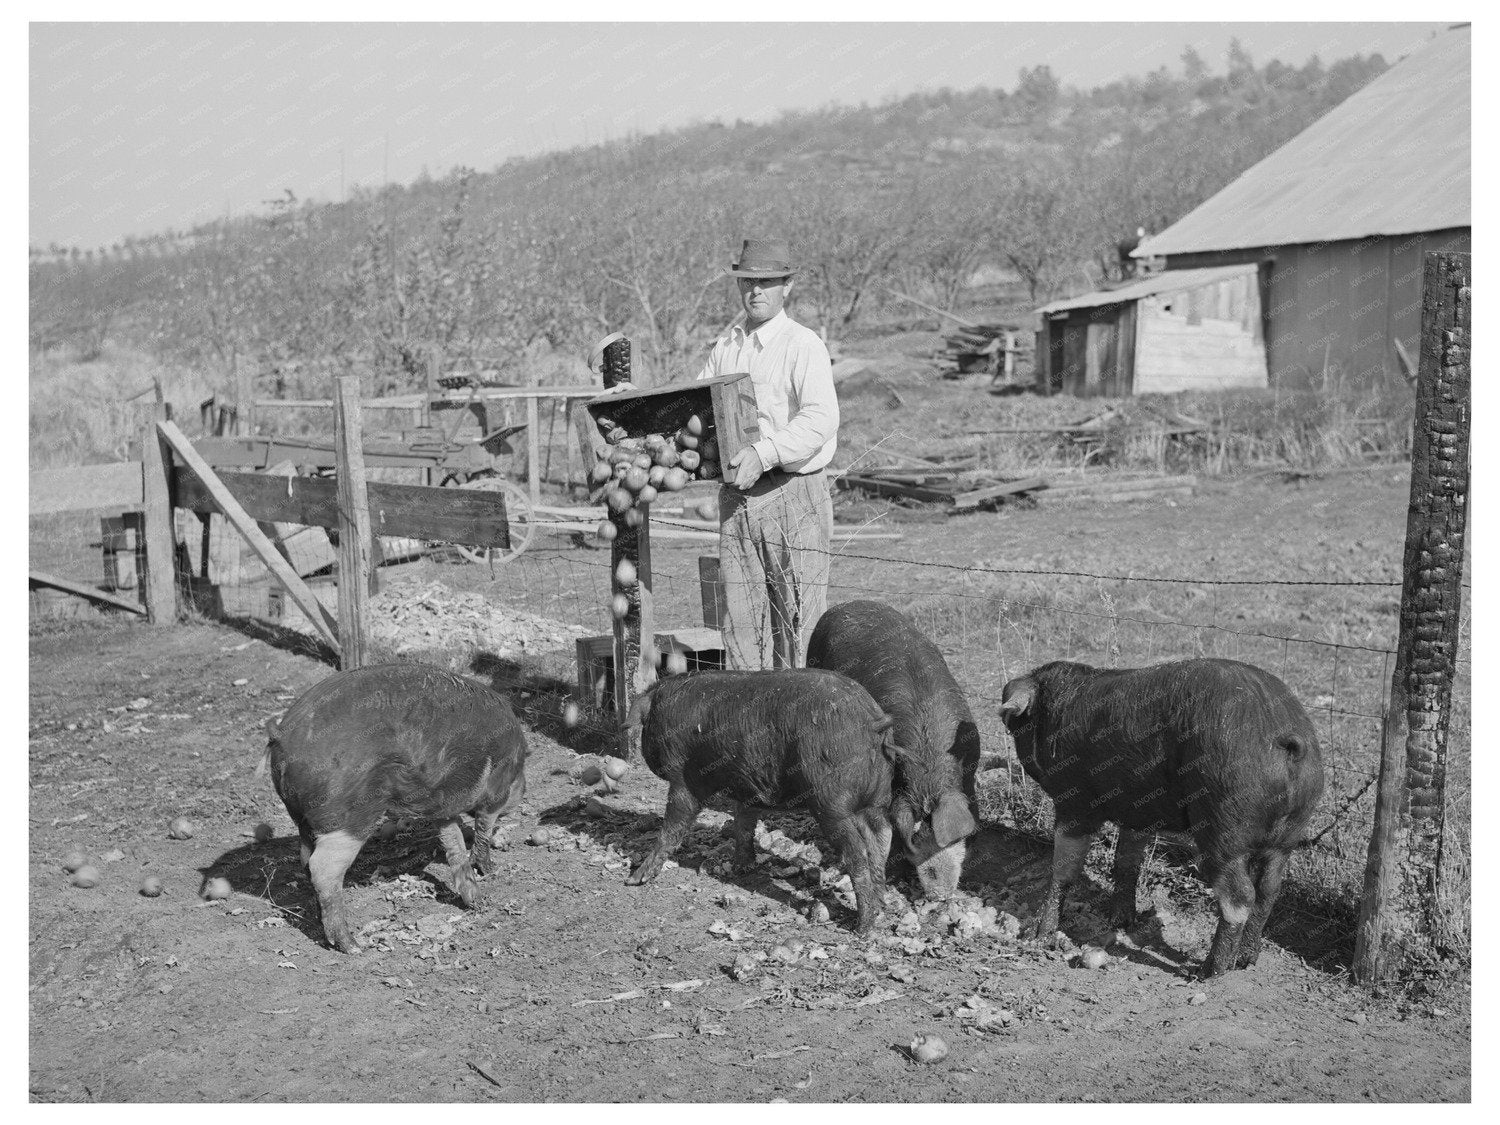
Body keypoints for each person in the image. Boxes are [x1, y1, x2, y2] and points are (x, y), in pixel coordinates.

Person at [695, 237, 839, 671]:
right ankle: (752, 728)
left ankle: (799, 723)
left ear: (787, 285)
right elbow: (697, 405)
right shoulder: (727, 345)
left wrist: (766, 452)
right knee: (741, 626)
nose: (755, 291)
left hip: (794, 494)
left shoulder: (802, 344)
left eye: (767, 282)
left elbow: (820, 419)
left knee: (798, 622)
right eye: (748, 282)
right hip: (738, 498)